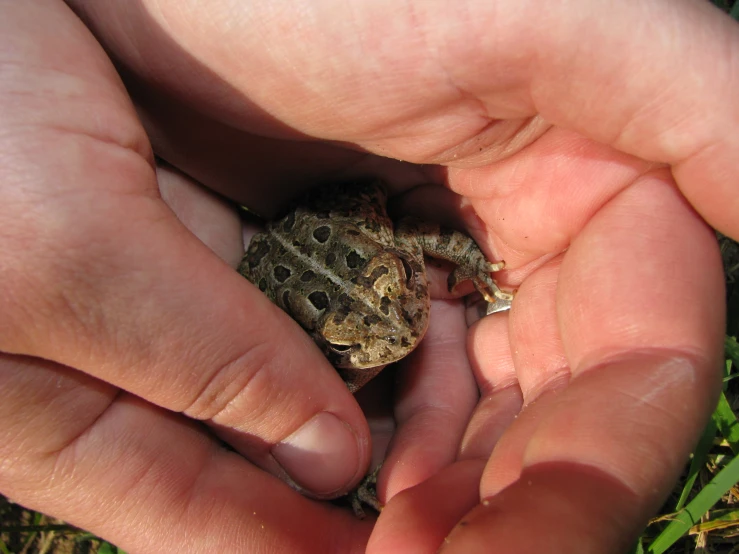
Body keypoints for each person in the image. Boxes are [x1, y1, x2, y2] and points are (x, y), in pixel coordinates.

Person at [0, 1, 735, 552]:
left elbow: (413, 234)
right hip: (281, 274)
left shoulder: (395, 264)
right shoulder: (326, 362)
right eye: (366, 346)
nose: (401, 331)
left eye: (397, 307)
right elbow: (285, 391)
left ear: (396, 277)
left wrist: (473, 259)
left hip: (340, 224)